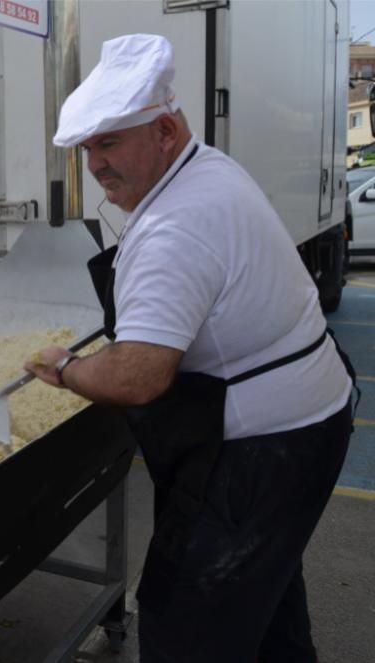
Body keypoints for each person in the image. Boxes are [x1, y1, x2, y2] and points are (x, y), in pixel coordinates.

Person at [24, 34, 356, 662]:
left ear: (167, 131)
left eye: (111, 142)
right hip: (315, 419)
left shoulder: (176, 224)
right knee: (266, 600)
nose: (96, 164)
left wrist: (65, 367)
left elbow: (139, 377)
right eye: (89, 148)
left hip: (264, 452)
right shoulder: (208, 169)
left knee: (187, 619)